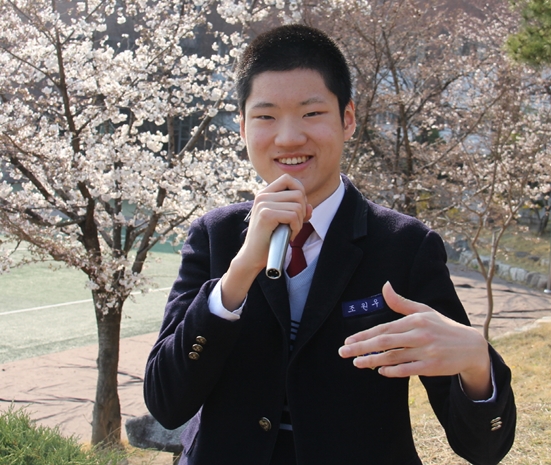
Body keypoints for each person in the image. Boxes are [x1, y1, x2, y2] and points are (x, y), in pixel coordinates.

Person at [144, 24, 516, 465]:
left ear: (348, 119)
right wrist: (239, 273)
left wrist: (476, 365)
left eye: (311, 113)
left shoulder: (405, 246)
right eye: (265, 117)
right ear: (242, 128)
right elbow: (167, 402)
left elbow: (483, 448)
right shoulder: (215, 235)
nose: (288, 137)